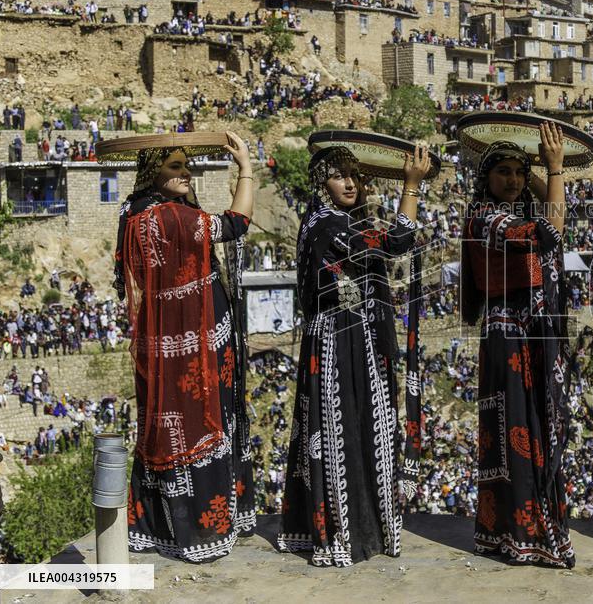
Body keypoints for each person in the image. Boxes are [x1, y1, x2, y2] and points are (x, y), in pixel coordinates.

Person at [277, 144, 430, 566]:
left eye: (355, 175)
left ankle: (366, 529)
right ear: (321, 184)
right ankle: (345, 534)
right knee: (342, 431)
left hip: (356, 337)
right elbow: (396, 241)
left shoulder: (339, 221)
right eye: (338, 175)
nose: (349, 183)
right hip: (339, 341)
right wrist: (411, 186)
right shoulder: (329, 222)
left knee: (365, 429)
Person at [116, 132, 255, 562]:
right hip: (198, 338)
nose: (185, 173)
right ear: (154, 171)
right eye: (175, 166)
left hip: (159, 345)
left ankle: (157, 527)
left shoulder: (130, 213)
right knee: (204, 420)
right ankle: (204, 530)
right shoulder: (176, 217)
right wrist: (246, 168)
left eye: (185, 166)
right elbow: (235, 224)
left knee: (162, 423)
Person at [459, 123, 575, 567]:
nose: (512, 180)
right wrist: (556, 169)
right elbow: (552, 231)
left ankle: (517, 532)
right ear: (486, 177)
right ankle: (524, 534)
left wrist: (543, 169)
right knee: (517, 434)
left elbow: (553, 216)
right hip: (510, 337)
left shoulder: (515, 210)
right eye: (503, 171)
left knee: (532, 432)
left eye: (518, 173)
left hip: (528, 334)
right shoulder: (486, 219)